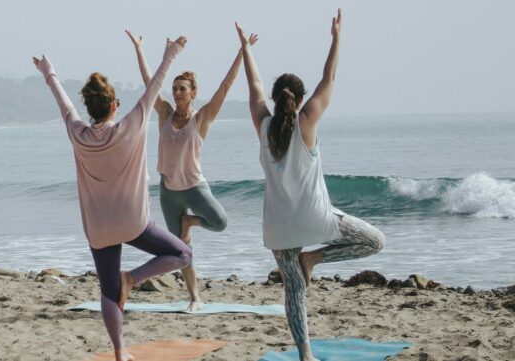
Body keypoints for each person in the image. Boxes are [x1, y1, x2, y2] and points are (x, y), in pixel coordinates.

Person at [32, 36, 193, 361]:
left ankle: (120, 353)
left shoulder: (77, 133)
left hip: (99, 229)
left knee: (107, 292)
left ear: (90, 109)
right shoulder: (130, 127)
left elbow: (63, 103)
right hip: (133, 223)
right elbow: (155, 87)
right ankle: (132, 278)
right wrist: (171, 53)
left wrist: (48, 72)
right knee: (183, 254)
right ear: (114, 105)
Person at [237, 10, 384, 361]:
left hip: (279, 227)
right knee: (375, 242)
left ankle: (305, 355)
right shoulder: (308, 121)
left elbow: (253, 87)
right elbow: (329, 77)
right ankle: (315, 256)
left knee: (294, 291)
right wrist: (336, 38)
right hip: (317, 219)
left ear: (275, 99)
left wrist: (246, 49)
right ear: (300, 100)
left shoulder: (263, 126)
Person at [125, 29, 257, 311]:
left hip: (195, 189)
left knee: (220, 221)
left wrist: (242, 51)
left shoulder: (203, 118)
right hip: (169, 192)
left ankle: (191, 222)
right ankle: (195, 297)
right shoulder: (163, 113)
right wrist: (139, 49)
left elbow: (225, 86)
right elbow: (151, 83)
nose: (176, 92)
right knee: (182, 253)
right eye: (174, 88)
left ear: (193, 92)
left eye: (182, 88)